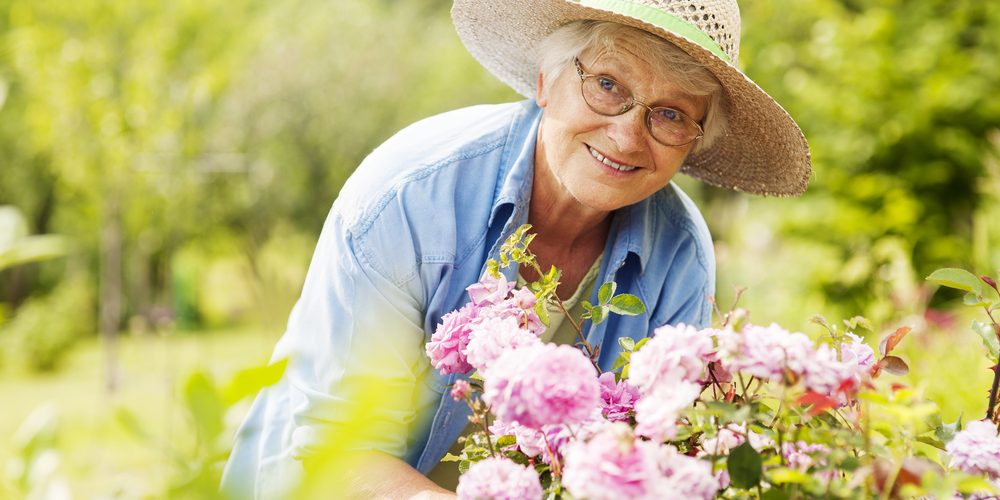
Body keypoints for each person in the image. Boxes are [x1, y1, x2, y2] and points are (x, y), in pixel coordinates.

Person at [222, 0, 811, 497]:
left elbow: (649, 457)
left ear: (694, 141)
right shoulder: (412, 199)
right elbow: (340, 454)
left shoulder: (679, 253)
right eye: (608, 85)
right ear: (546, 83)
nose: (628, 135)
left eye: (672, 114)